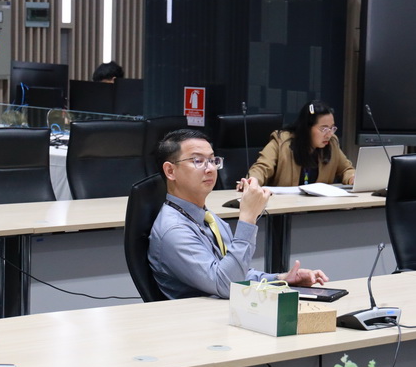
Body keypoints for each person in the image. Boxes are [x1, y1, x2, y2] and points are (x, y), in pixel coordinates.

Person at [148, 128, 329, 299]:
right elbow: (227, 284)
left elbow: (236, 273)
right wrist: (248, 218)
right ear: (170, 171)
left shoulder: (208, 218)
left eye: (212, 160)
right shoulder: (174, 230)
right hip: (198, 318)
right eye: (198, 161)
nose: (210, 168)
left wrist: (281, 279)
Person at [245, 100, 355, 187]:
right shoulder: (281, 142)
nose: (329, 134)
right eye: (324, 129)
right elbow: (262, 167)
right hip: (286, 206)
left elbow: (346, 169)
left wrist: (352, 178)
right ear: (307, 128)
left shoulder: (332, 144)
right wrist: (253, 180)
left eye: (332, 128)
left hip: (319, 206)